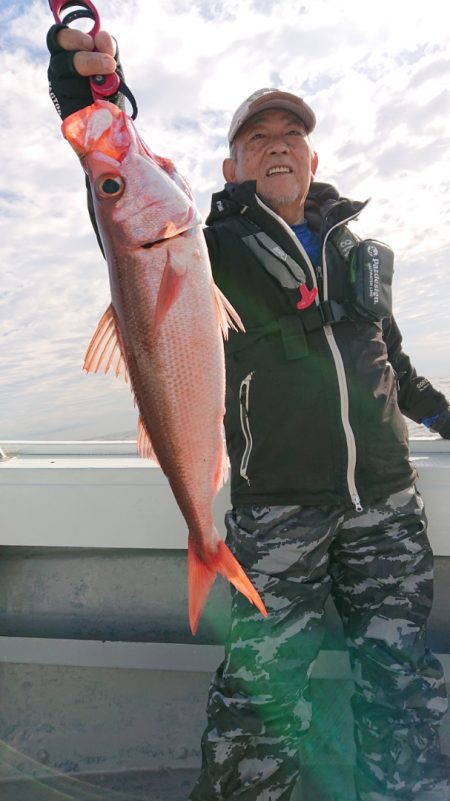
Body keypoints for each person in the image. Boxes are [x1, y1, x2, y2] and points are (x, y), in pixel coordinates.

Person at [47, 24, 450, 801]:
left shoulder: (357, 249)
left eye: (292, 135)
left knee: (402, 685)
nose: (278, 146)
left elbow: (390, 362)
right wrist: (88, 98)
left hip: (386, 507)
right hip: (277, 515)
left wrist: (442, 414)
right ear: (230, 166)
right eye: (257, 137)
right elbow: (124, 233)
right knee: (258, 702)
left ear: (313, 158)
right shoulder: (212, 244)